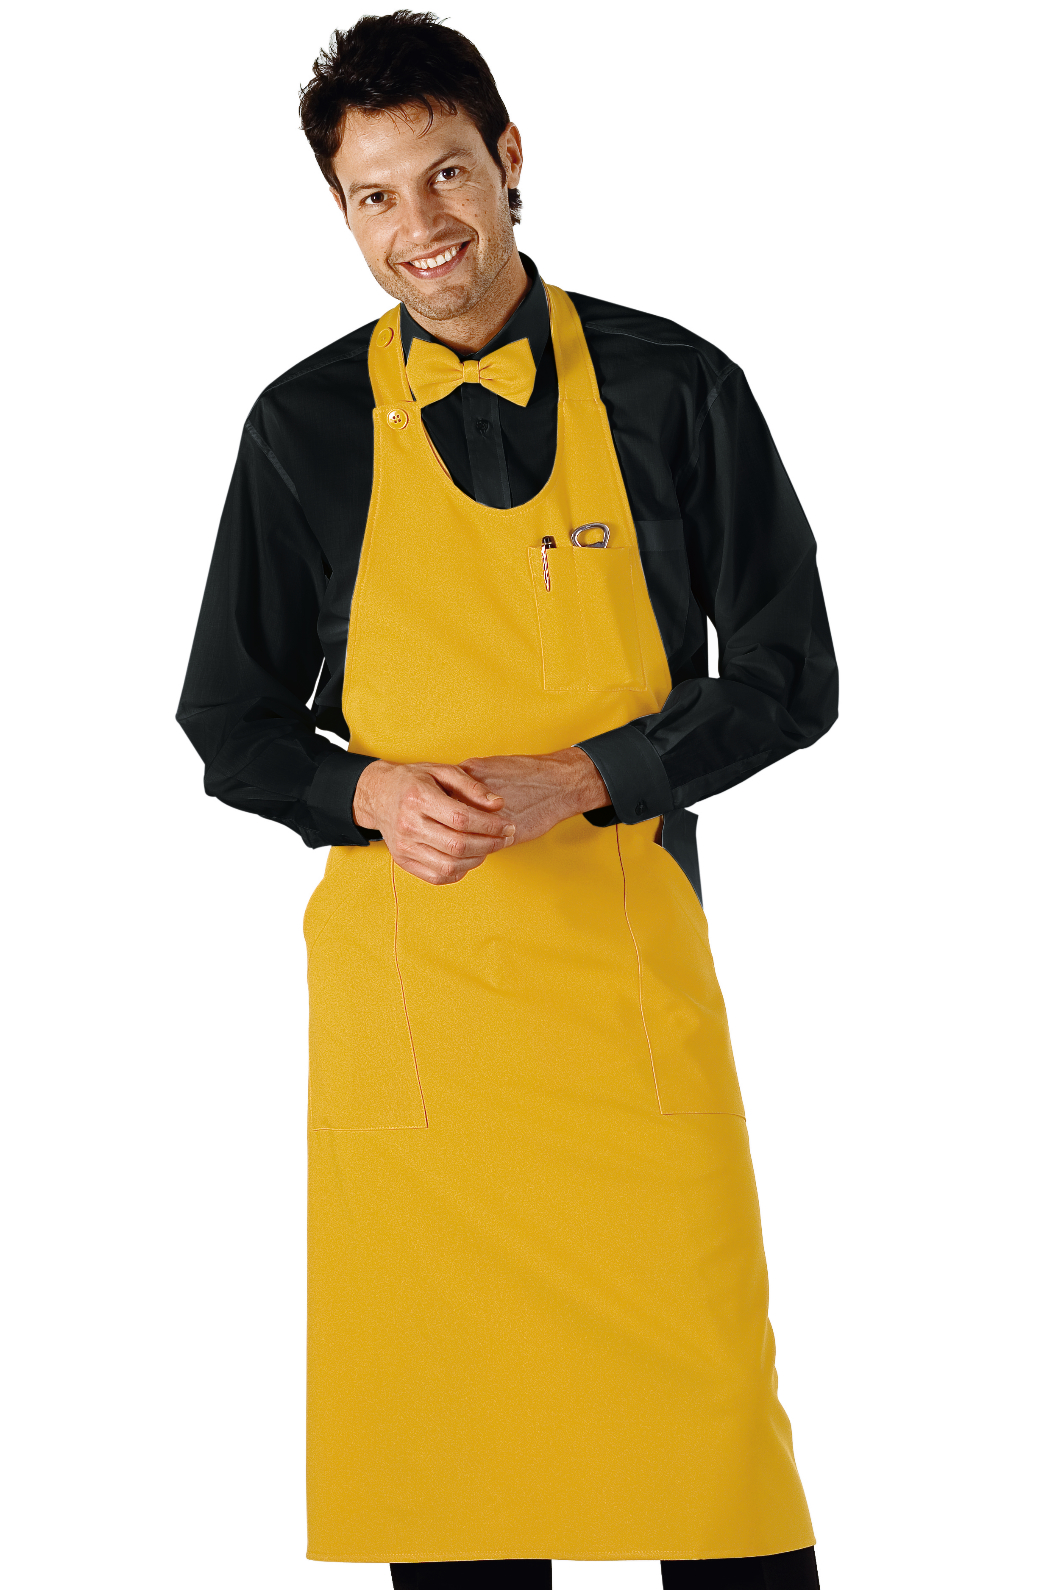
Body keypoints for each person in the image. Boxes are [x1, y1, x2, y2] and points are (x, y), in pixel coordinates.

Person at [176, 11, 838, 1588]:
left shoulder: (679, 388)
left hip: (626, 1009)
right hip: (421, 1038)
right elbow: (229, 719)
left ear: (509, 158)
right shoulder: (299, 430)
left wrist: (593, 774)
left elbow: (792, 673)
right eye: (375, 195)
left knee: (716, 1474)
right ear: (343, 211)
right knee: (459, 1489)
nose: (421, 225)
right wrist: (363, 789)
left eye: (446, 173)